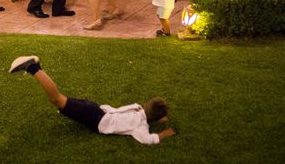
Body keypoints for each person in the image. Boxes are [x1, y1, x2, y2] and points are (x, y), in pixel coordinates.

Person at [9, 55, 176, 145]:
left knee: (62, 103)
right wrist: (164, 133)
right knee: (56, 99)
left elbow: (149, 112)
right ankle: (33, 67)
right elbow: (149, 140)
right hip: (94, 117)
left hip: (95, 109)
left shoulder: (138, 108)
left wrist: (159, 117)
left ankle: (37, 67)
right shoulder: (140, 126)